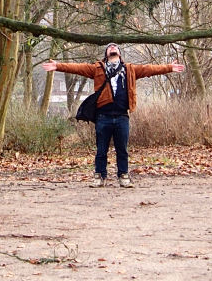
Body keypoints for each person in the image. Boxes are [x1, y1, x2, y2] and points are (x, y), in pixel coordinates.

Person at [42, 44, 184, 188]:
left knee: (122, 149)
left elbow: (149, 69)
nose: (112, 47)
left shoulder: (130, 69)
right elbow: (78, 68)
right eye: (110, 47)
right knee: (101, 149)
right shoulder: (97, 68)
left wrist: (169, 68)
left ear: (120, 54)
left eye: (115, 47)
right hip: (103, 116)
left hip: (122, 116)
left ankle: (123, 176)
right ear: (106, 53)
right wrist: (58, 66)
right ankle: (99, 176)